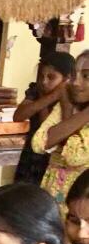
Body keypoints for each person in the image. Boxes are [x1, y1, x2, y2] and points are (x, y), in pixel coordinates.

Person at [33, 51, 89, 212]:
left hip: (81, 203)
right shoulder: (67, 105)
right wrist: (68, 109)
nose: (76, 83)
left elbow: (74, 156)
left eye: (86, 76)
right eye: (73, 75)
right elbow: (39, 143)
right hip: (53, 195)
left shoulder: (67, 105)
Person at [14, 51, 75, 185]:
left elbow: (46, 132)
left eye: (51, 77)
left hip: (53, 160)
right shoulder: (36, 90)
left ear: (67, 79)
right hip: (30, 156)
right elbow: (18, 116)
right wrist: (48, 98)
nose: (44, 81)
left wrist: (50, 98)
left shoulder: (71, 99)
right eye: (41, 76)